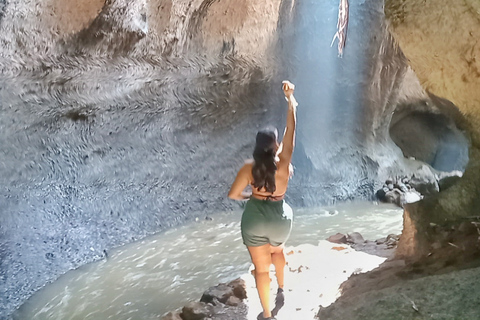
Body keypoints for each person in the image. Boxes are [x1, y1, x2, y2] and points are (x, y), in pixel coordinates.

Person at [228, 80, 297, 320]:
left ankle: (267, 314)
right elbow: (291, 131)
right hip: (280, 215)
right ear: (276, 145)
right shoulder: (284, 162)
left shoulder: (249, 167)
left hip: (255, 217)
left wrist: (252, 195)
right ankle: (282, 288)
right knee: (277, 251)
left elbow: (233, 195)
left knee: (260, 269)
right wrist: (291, 101)